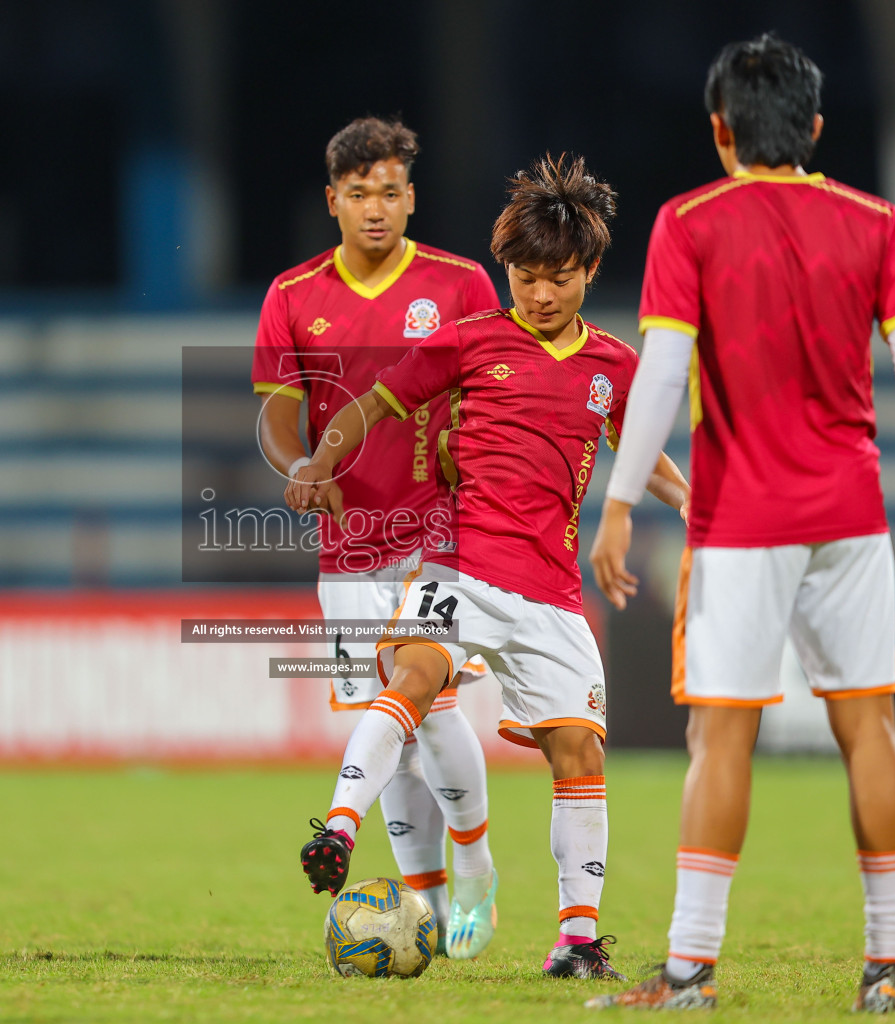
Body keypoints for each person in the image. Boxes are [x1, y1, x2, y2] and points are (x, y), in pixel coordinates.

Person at [586, 34, 895, 1013]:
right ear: (815, 129)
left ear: (719, 131)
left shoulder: (688, 223)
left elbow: (660, 372)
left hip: (740, 518)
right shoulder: (876, 222)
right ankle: (886, 971)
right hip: (848, 514)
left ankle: (692, 973)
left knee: (722, 736)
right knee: (869, 727)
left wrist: (617, 501)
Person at [291, 153, 689, 979]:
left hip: (550, 592)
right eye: (523, 275)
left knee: (578, 753)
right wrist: (322, 460)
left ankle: (575, 942)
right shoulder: (469, 341)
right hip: (456, 566)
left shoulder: (614, 367)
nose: (538, 294)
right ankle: (335, 826)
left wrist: (691, 503)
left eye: (558, 278)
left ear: (589, 271)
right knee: (413, 678)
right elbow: (371, 404)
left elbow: (641, 453)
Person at [253, 117, 504, 957]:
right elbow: (278, 413)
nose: (374, 209)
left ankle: (472, 867)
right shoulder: (293, 295)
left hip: (443, 527)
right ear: (332, 201)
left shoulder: (462, 284)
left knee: (425, 699)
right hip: (350, 537)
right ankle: (430, 905)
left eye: (389, 192)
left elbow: (493, 392)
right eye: (358, 194)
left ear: (410, 197)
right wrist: (298, 466)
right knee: (394, 738)